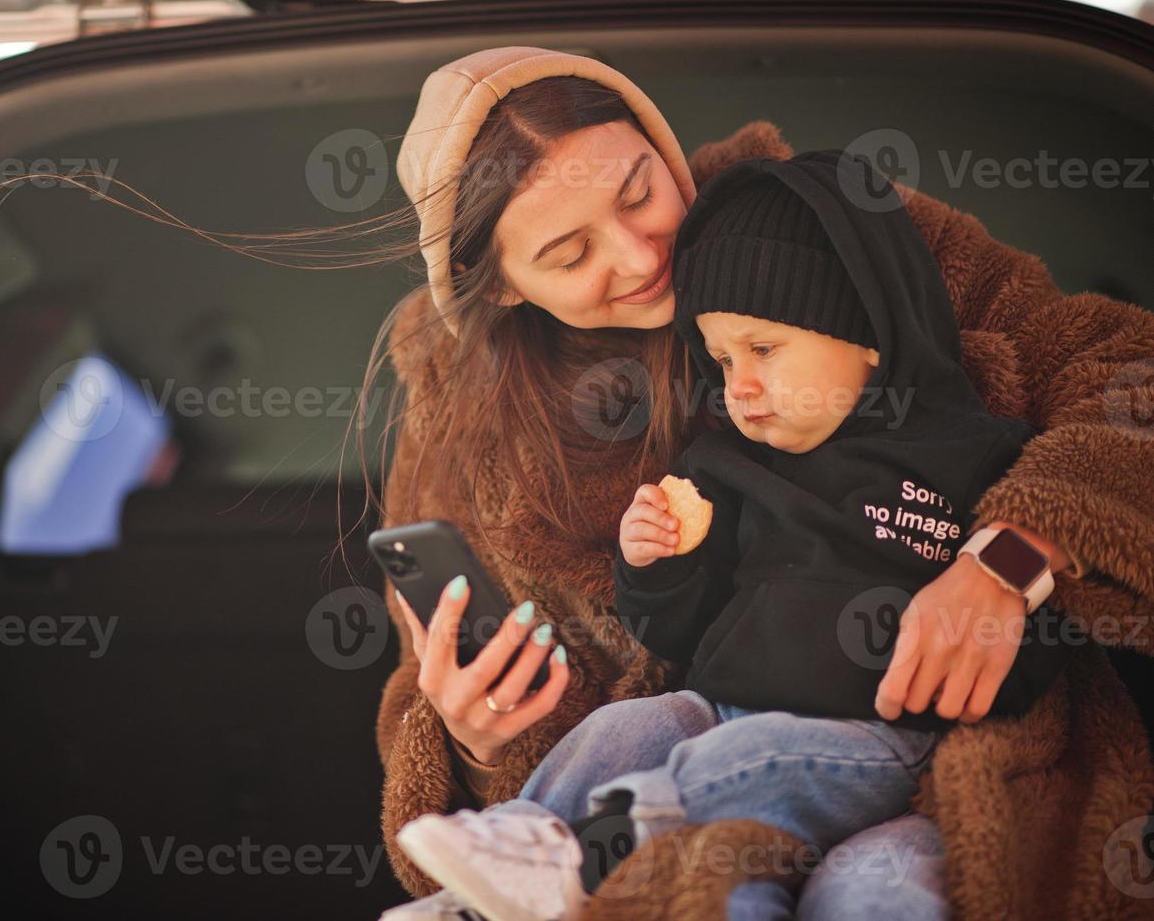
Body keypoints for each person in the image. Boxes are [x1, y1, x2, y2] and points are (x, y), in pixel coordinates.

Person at [374, 45, 1154, 920]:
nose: (636, 257)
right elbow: (421, 683)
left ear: (663, 152)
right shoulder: (465, 421)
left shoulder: (831, 230)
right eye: (567, 253)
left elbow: (1127, 378)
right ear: (504, 287)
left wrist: (1008, 560)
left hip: (941, 770)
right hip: (652, 831)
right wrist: (476, 742)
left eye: (639, 194)